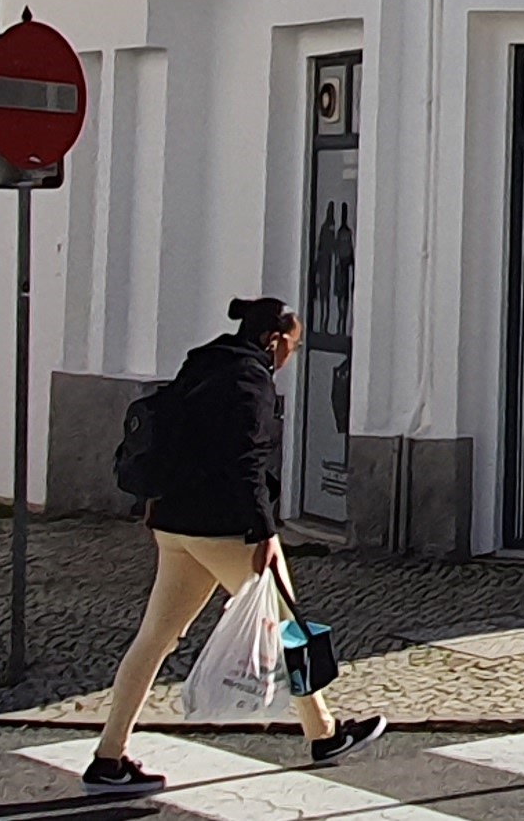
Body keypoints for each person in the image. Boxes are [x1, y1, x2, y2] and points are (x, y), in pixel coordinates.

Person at [86, 298, 373, 796]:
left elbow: (170, 436)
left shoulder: (201, 362)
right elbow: (247, 462)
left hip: (174, 524)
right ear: (275, 340)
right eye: (293, 345)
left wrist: (154, 503)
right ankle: (324, 735)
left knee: (154, 636)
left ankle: (109, 756)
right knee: (288, 628)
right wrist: (264, 533)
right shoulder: (250, 381)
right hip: (223, 529)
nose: (291, 355)